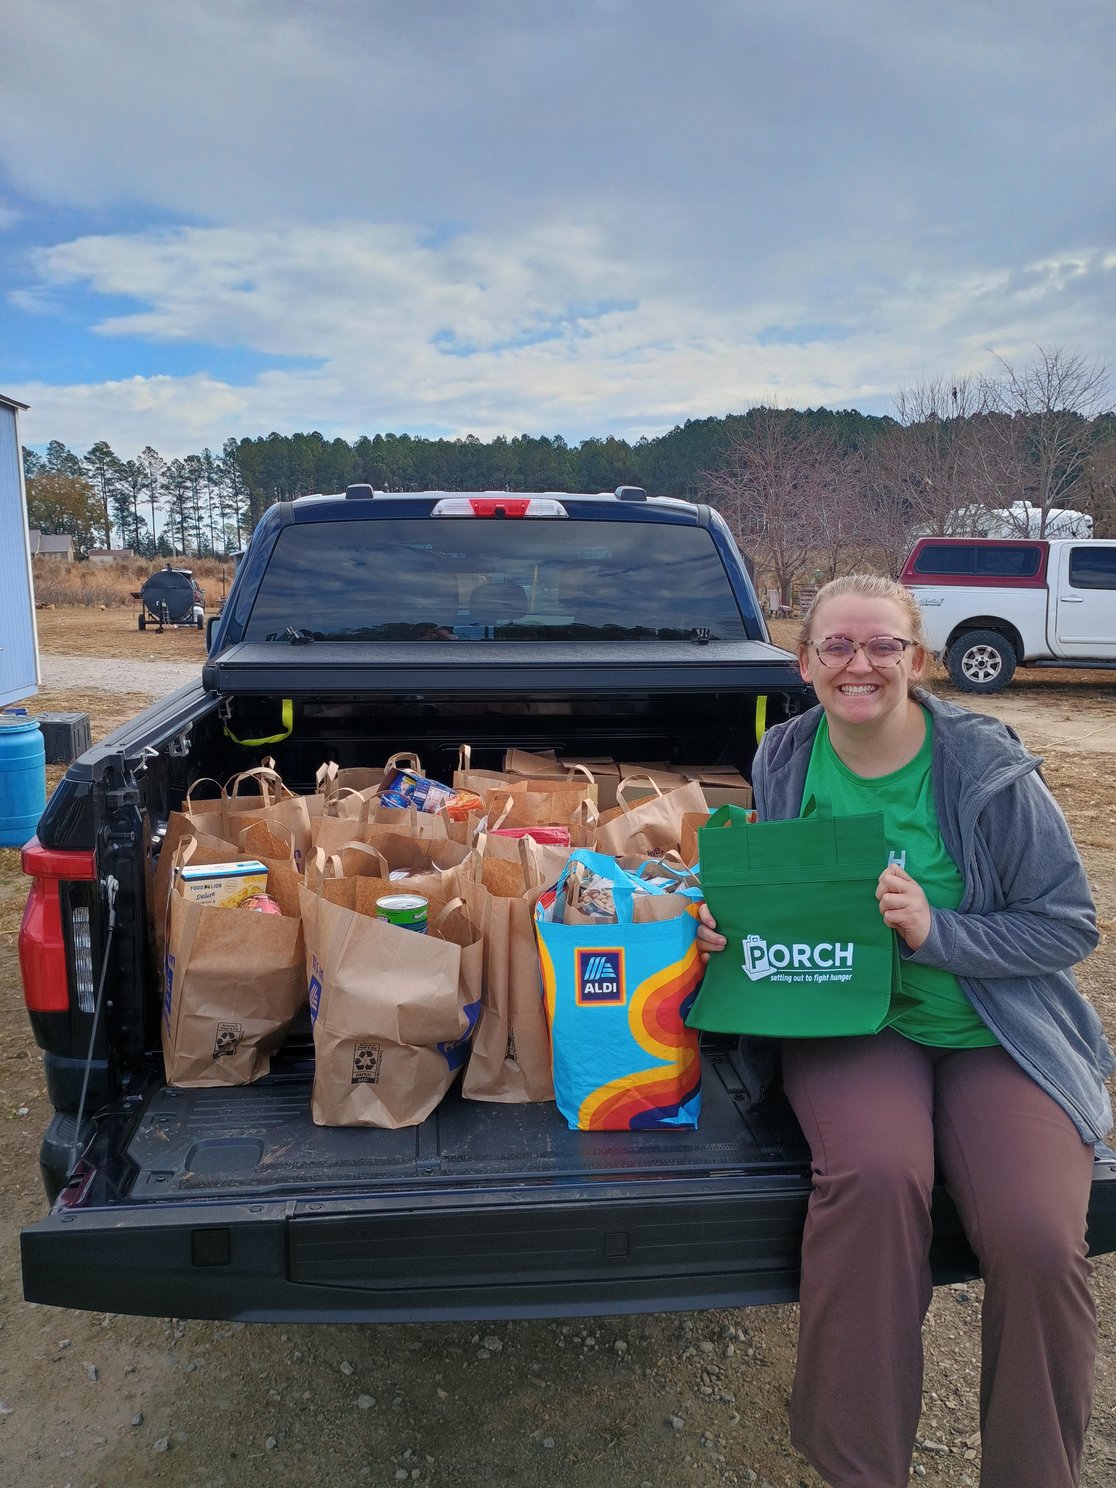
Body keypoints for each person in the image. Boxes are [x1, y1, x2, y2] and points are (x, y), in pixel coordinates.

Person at [697, 573, 1114, 1488]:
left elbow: (1068, 924)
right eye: (838, 646)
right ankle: (861, 1467)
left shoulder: (986, 768)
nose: (861, 664)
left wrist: (937, 931)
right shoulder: (785, 755)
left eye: (884, 645)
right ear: (804, 664)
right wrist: (725, 925)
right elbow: (779, 897)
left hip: (989, 1026)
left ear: (916, 660)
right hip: (849, 1019)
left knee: (1039, 1237)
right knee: (877, 1179)